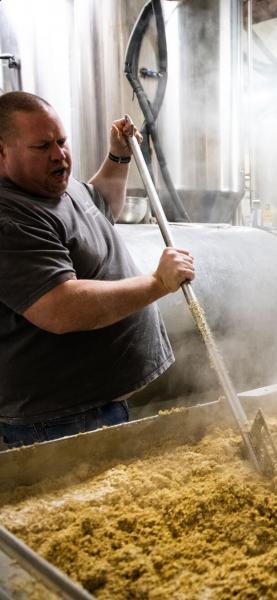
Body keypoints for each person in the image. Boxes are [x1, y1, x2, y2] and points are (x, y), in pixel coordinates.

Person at [0, 91, 195, 447]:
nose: (59, 155)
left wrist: (118, 157)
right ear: (2, 152)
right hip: (61, 417)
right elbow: (61, 307)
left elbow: (101, 206)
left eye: (61, 141)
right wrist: (155, 284)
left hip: (95, 405)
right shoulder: (10, 218)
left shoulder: (53, 185)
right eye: (42, 146)